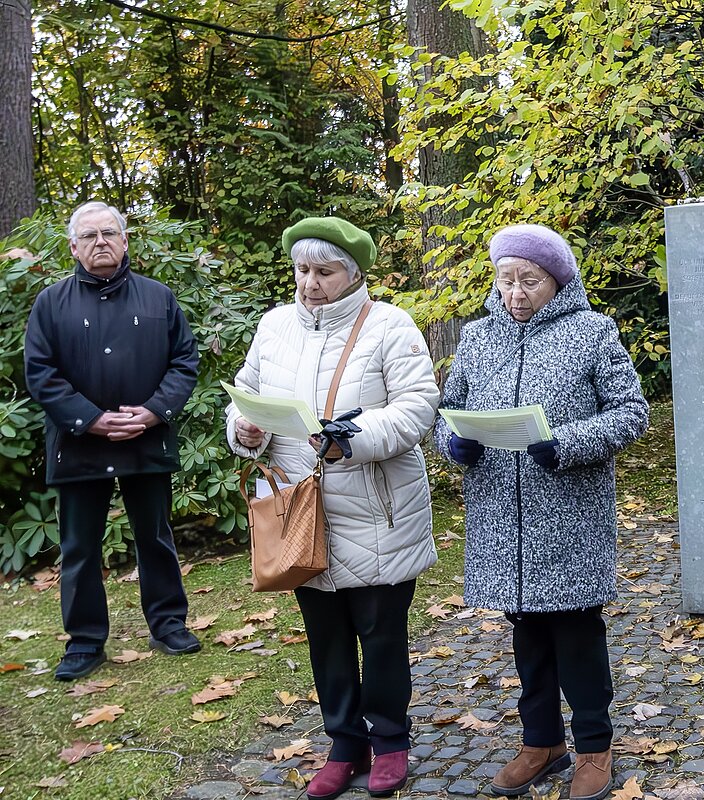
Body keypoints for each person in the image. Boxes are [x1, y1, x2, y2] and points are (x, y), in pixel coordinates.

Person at [226, 217, 439, 800]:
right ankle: (345, 744)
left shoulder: (391, 326)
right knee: (326, 639)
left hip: (378, 511)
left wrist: (355, 436)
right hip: (301, 512)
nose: (310, 283)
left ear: (354, 273)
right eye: (302, 270)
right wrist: (243, 430)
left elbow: (419, 407)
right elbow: (248, 392)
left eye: (325, 272)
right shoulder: (273, 327)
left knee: (381, 636)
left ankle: (391, 741)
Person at [434, 224, 649, 800]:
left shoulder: (593, 333)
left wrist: (569, 443)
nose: (515, 293)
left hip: (569, 514)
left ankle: (594, 750)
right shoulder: (478, 339)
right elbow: (446, 413)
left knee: (577, 634)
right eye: (505, 280)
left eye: (529, 281)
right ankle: (542, 742)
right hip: (500, 514)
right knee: (526, 635)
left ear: (557, 281)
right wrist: (453, 442)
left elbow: (632, 413)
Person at [24, 201, 202, 682]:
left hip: (147, 439)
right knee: (79, 546)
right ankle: (84, 641)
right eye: (89, 236)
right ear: (73, 247)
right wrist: (91, 420)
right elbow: (40, 374)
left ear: (125, 240)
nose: (100, 242)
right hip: (80, 444)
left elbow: (184, 361)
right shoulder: (50, 303)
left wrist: (153, 412)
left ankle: (167, 625)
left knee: (156, 538)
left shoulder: (159, 297)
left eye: (109, 233)